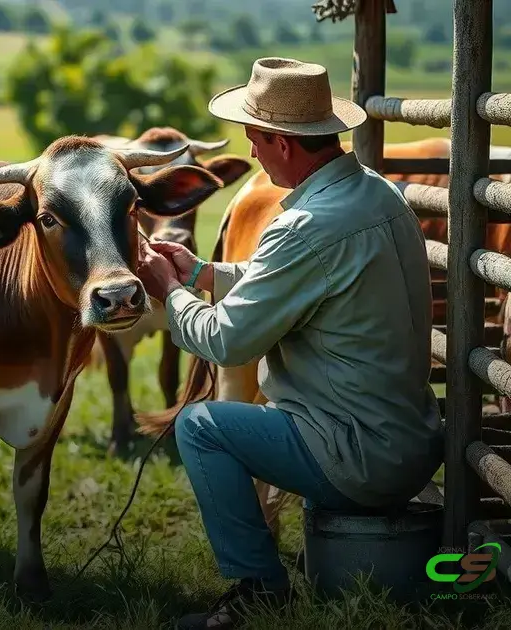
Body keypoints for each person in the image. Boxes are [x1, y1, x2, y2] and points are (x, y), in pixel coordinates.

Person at [136, 57, 444, 630]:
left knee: (201, 427)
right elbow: (308, 279)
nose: (251, 152)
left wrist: (170, 290)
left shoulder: (304, 225)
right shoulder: (374, 193)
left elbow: (225, 342)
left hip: (359, 458)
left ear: (282, 143)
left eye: (255, 138)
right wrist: (204, 272)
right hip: (412, 441)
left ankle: (259, 591)